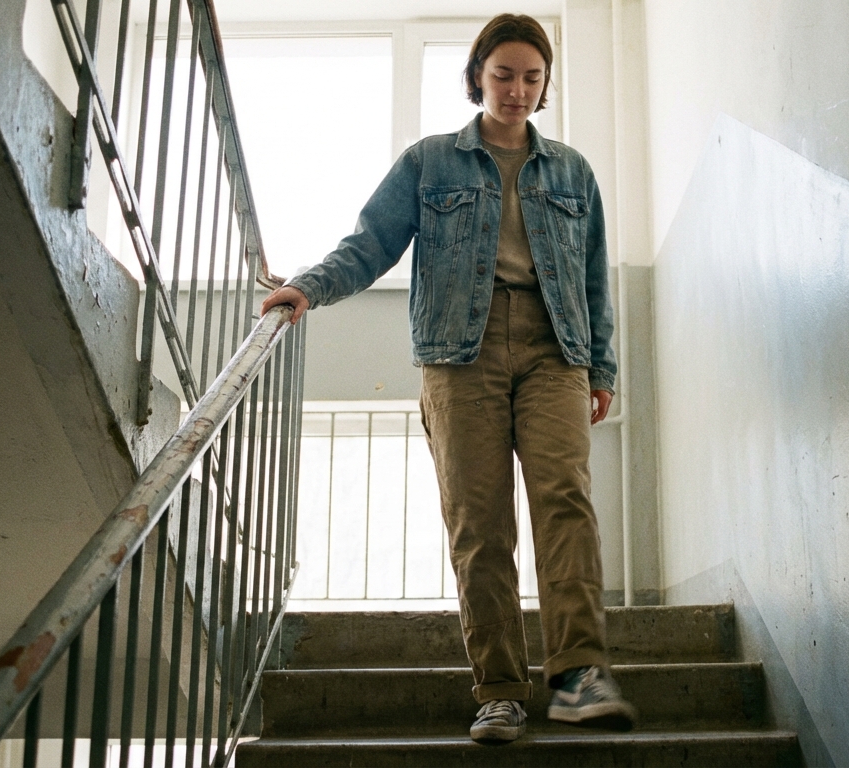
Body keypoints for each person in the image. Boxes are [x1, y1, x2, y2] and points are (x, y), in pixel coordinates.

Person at [260, 13, 635, 745]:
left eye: (532, 77)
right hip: (458, 355)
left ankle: (578, 674)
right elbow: (370, 242)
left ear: (545, 84)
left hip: (556, 349)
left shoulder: (572, 171)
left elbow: (593, 279)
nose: (518, 90)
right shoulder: (429, 162)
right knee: (480, 523)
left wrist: (603, 366)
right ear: (476, 78)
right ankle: (499, 690)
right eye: (504, 75)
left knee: (566, 501)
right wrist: (308, 287)